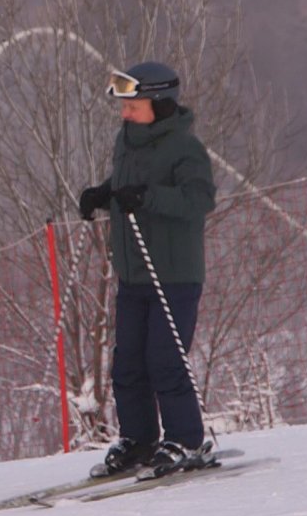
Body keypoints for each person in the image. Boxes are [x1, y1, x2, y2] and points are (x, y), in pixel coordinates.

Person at [78, 61, 216, 475]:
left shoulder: (185, 148)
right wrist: (104, 193)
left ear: (158, 103)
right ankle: (139, 439)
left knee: (164, 358)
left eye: (132, 106)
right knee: (128, 363)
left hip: (172, 273)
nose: (125, 113)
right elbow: (127, 184)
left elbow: (198, 201)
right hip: (134, 273)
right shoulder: (128, 142)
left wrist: (149, 197)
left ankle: (186, 439)